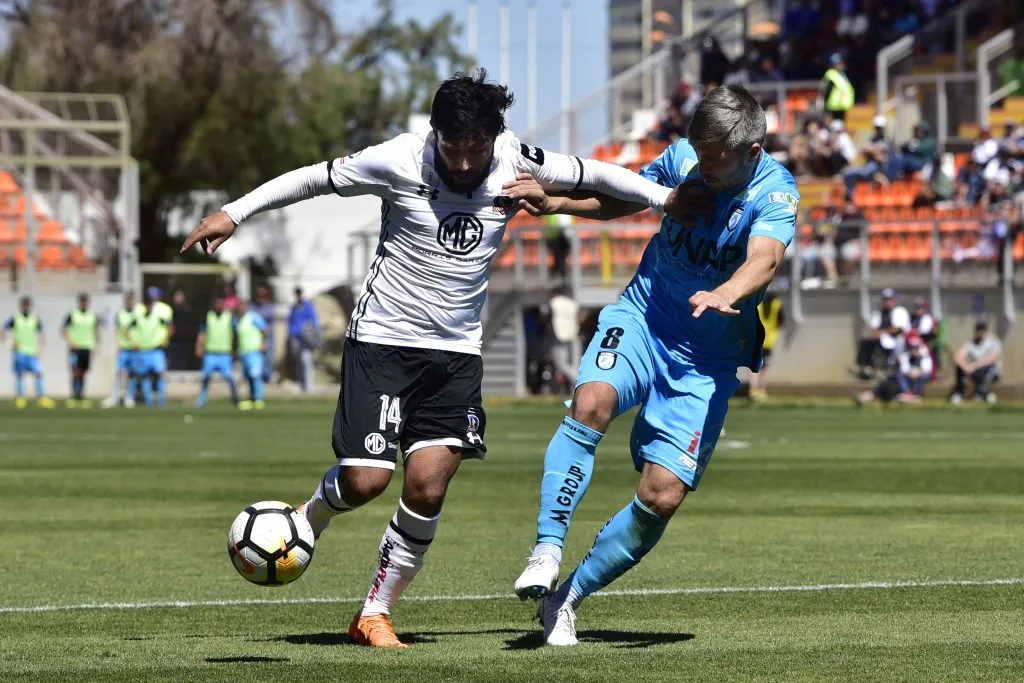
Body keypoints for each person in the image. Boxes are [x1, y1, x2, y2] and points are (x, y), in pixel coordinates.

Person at [179, 69, 693, 649]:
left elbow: (596, 173)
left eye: (477, 149)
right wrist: (235, 212)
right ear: (436, 134)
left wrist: (662, 198)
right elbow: (311, 180)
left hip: (454, 353)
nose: (467, 163)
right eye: (455, 148)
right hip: (382, 340)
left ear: (493, 138)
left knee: (426, 487)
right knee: (368, 480)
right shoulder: (397, 160)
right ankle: (316, 512)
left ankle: (373, 612)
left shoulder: (513, 156)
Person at [503, 85, 799, 646]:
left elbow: (765, 257)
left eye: (715, 160)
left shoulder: (776, 192)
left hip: (707, 359)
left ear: (751, 152)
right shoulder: (686, 160)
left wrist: (726, 291)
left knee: (662, 494)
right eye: (698, 154)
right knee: (591, 402)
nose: (701, 169)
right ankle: (546, 547)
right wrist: (559, 202)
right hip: (645, 316)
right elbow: (632, 196)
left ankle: (568, 598)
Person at [1, 296, 55, 409]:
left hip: (32, 352)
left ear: (30, 305)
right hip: (19, 352)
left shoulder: (35, 319)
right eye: (24, 304)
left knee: (39, 373)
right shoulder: (15, 318)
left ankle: (41, 397)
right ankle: (20, 398)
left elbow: (41, 334)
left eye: (28, 304)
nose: (26, 306)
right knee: (19, 374)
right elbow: (2, 331)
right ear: (21, 305)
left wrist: (40, 349)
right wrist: (9, 343)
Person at [854, 288, 910, 380]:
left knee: (898, 342)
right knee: (865, 341)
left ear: (894, 300)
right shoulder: (878, 313)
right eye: (886, 299)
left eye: (890, 299)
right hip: (882, 339)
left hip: (897, 339)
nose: (888, 302)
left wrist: (881, 332)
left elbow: (897, 329)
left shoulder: (900, 311)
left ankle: (893, 368)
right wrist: (877, 333)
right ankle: (865, 367)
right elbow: (872, 328)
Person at [130, 290, 174, 408]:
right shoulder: (139, 316)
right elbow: (129, 329)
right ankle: (148, 402)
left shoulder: (159, 316)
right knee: (145, 376)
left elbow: (171, 327)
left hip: (156, 350)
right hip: (143, 350)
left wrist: (164, 340)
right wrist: (134, 343)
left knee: (159, 374)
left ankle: (161, 401)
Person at [194, 295, 238, 408]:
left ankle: (235, 398)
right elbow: (202, 334)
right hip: (211, 353)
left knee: (229, 377)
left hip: (224, 353)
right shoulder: (208, 317)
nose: (219, 306)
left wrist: (234, 349)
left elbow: (235, 335)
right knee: (206, 377)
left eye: (221, 304)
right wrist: (199, 346)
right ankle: (202, 399)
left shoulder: (229, 317)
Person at [950, 321, 1002, 404]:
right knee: (959, 368)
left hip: (989, 370)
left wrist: (974, 365)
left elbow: (991, 359)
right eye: (978, 330)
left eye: (982, 330)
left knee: (986, 369)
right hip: (974, 370)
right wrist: (965, 366)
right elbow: (957, 357)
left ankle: (981, 393)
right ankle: (959, 393)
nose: (980, 332)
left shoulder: (993, 341)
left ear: (986, 331)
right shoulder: (970, 343)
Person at [62, 292, 98, 408]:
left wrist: (96, 345)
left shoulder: (92, 315)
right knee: (75, 371)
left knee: (83, 372)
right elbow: (64, 330)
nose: (84, 303)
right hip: (75, 348)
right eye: (82, 301)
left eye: (85, 301)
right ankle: (74, 396)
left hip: (87, 347)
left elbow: (95, 331)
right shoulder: (73, 315)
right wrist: (71, 343)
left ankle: (81, 396)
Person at [103, 291, 138, 409]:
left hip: (135, 348)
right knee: (119, 372)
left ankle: (129, 397)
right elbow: (117, 332)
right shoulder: (120, 314)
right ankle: (115, 396)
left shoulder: (138, 314)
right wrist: (117, 346)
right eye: (127, 299)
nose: (129, 302)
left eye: (131, 299)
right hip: (124, 347)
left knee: (132, 373)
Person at [542, 286, 581, 390]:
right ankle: (576, 388)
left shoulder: (553, 303)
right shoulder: (572, 303)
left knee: (561, 364)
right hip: (573, 335)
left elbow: (545, 318)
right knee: (573, 363)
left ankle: (579, 380)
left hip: (558, 337)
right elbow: (578, 318)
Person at [750, 291, 784, 402]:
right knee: (765, 368)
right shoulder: (777, 305)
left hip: (756, 341)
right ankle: (761, 390)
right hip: (769, 341)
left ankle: (753, 391)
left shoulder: (758, 305)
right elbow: (781, 322)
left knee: (754, 368)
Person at [235, 299, 268, 410]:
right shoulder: (238, 319)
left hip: (254, 351)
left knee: (255, 375)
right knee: (248, 376)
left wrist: (263, 343)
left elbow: (264, 329)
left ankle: (259, 399)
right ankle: (251, 398)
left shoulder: (254, 317)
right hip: (244, 351)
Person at [287, 287, 319, 393]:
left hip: (306, 338)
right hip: (296, 338)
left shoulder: (308, 306)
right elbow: (291, 322)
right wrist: (290, 334)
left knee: (306, 359)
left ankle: (309, 384)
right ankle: (301, 383)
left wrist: (314, 335)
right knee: (299, 361)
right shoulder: (294, 307)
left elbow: (314, 321)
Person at [819, 53, 854, 122]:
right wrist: (825, 106)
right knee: (835, 124)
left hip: (842, 105)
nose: (841, 65)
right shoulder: (831, 75)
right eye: (838, 63)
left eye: (841, 63)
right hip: (834, 106)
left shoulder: (843, 74)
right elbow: (826, 91)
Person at [252, 286, 276, 383]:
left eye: (263, 296)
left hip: (268, 339)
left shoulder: (270, 307)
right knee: (257, 361)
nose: (260, 298)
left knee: (268, 360)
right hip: (255, 339)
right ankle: (259, 379)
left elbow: (261, 320)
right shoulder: (253, 308)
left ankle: (267, 379)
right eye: (259, 296)